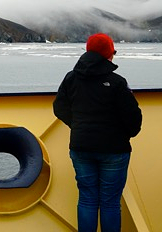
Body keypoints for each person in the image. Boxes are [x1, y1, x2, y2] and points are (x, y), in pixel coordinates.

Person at [53, 33, 142, 232]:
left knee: (87, 199)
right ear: (109, 54)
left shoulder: (71, 78)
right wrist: (123, 134)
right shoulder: (117, 82)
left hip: (81, 147)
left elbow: (59, 108)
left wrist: (78, 126)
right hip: (114, 150)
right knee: (110, 202)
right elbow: (133, 120)